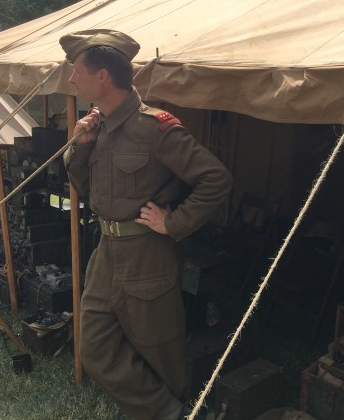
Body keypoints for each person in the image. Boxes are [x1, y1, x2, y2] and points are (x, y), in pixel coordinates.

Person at [61, 29, 233, 420]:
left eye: (77, 71)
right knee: (94, 346)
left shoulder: (155, 127)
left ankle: (178, 410)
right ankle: (170, 412)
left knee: (160, 348)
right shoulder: (99, 126)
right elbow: (87, 189)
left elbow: (216, 178)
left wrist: (174, 223)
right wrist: (80, 148)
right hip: (106, 254)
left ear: (102, 76)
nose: (71, 79)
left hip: (148, 256)